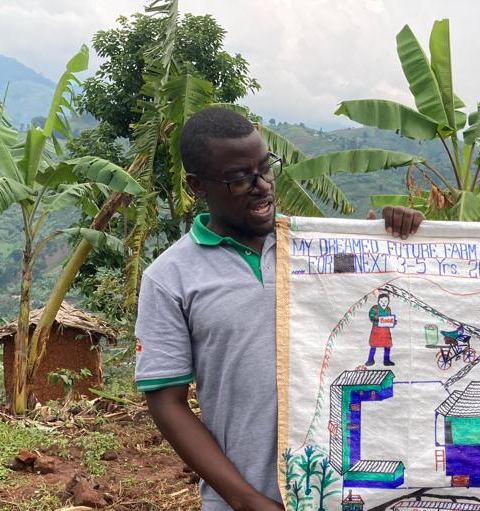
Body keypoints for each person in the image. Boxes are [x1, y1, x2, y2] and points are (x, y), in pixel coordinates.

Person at [134, 106, 425, 511]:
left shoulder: (316, 249)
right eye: (239, 178)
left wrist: (396, 237)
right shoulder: (170, 278)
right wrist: (246, 500)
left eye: (265, 168)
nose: (262, 186)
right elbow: (166, 401)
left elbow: (397, 296)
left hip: (346, 492)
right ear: (197, 185)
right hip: (240, 499)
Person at [366, 292, 396, 366]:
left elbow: (389, 319)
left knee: (387, 344)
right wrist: (375, 319)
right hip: (376, 329)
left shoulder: (388, 309)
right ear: (378, 301)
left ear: (388, 302)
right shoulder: (375, 308)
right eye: (381, 301)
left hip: (385, 330)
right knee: (373, 344)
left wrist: (393, 321)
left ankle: (386, 360)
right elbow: (371, 315)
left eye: (385, 301)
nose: (383, 303)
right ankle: (370, 360)